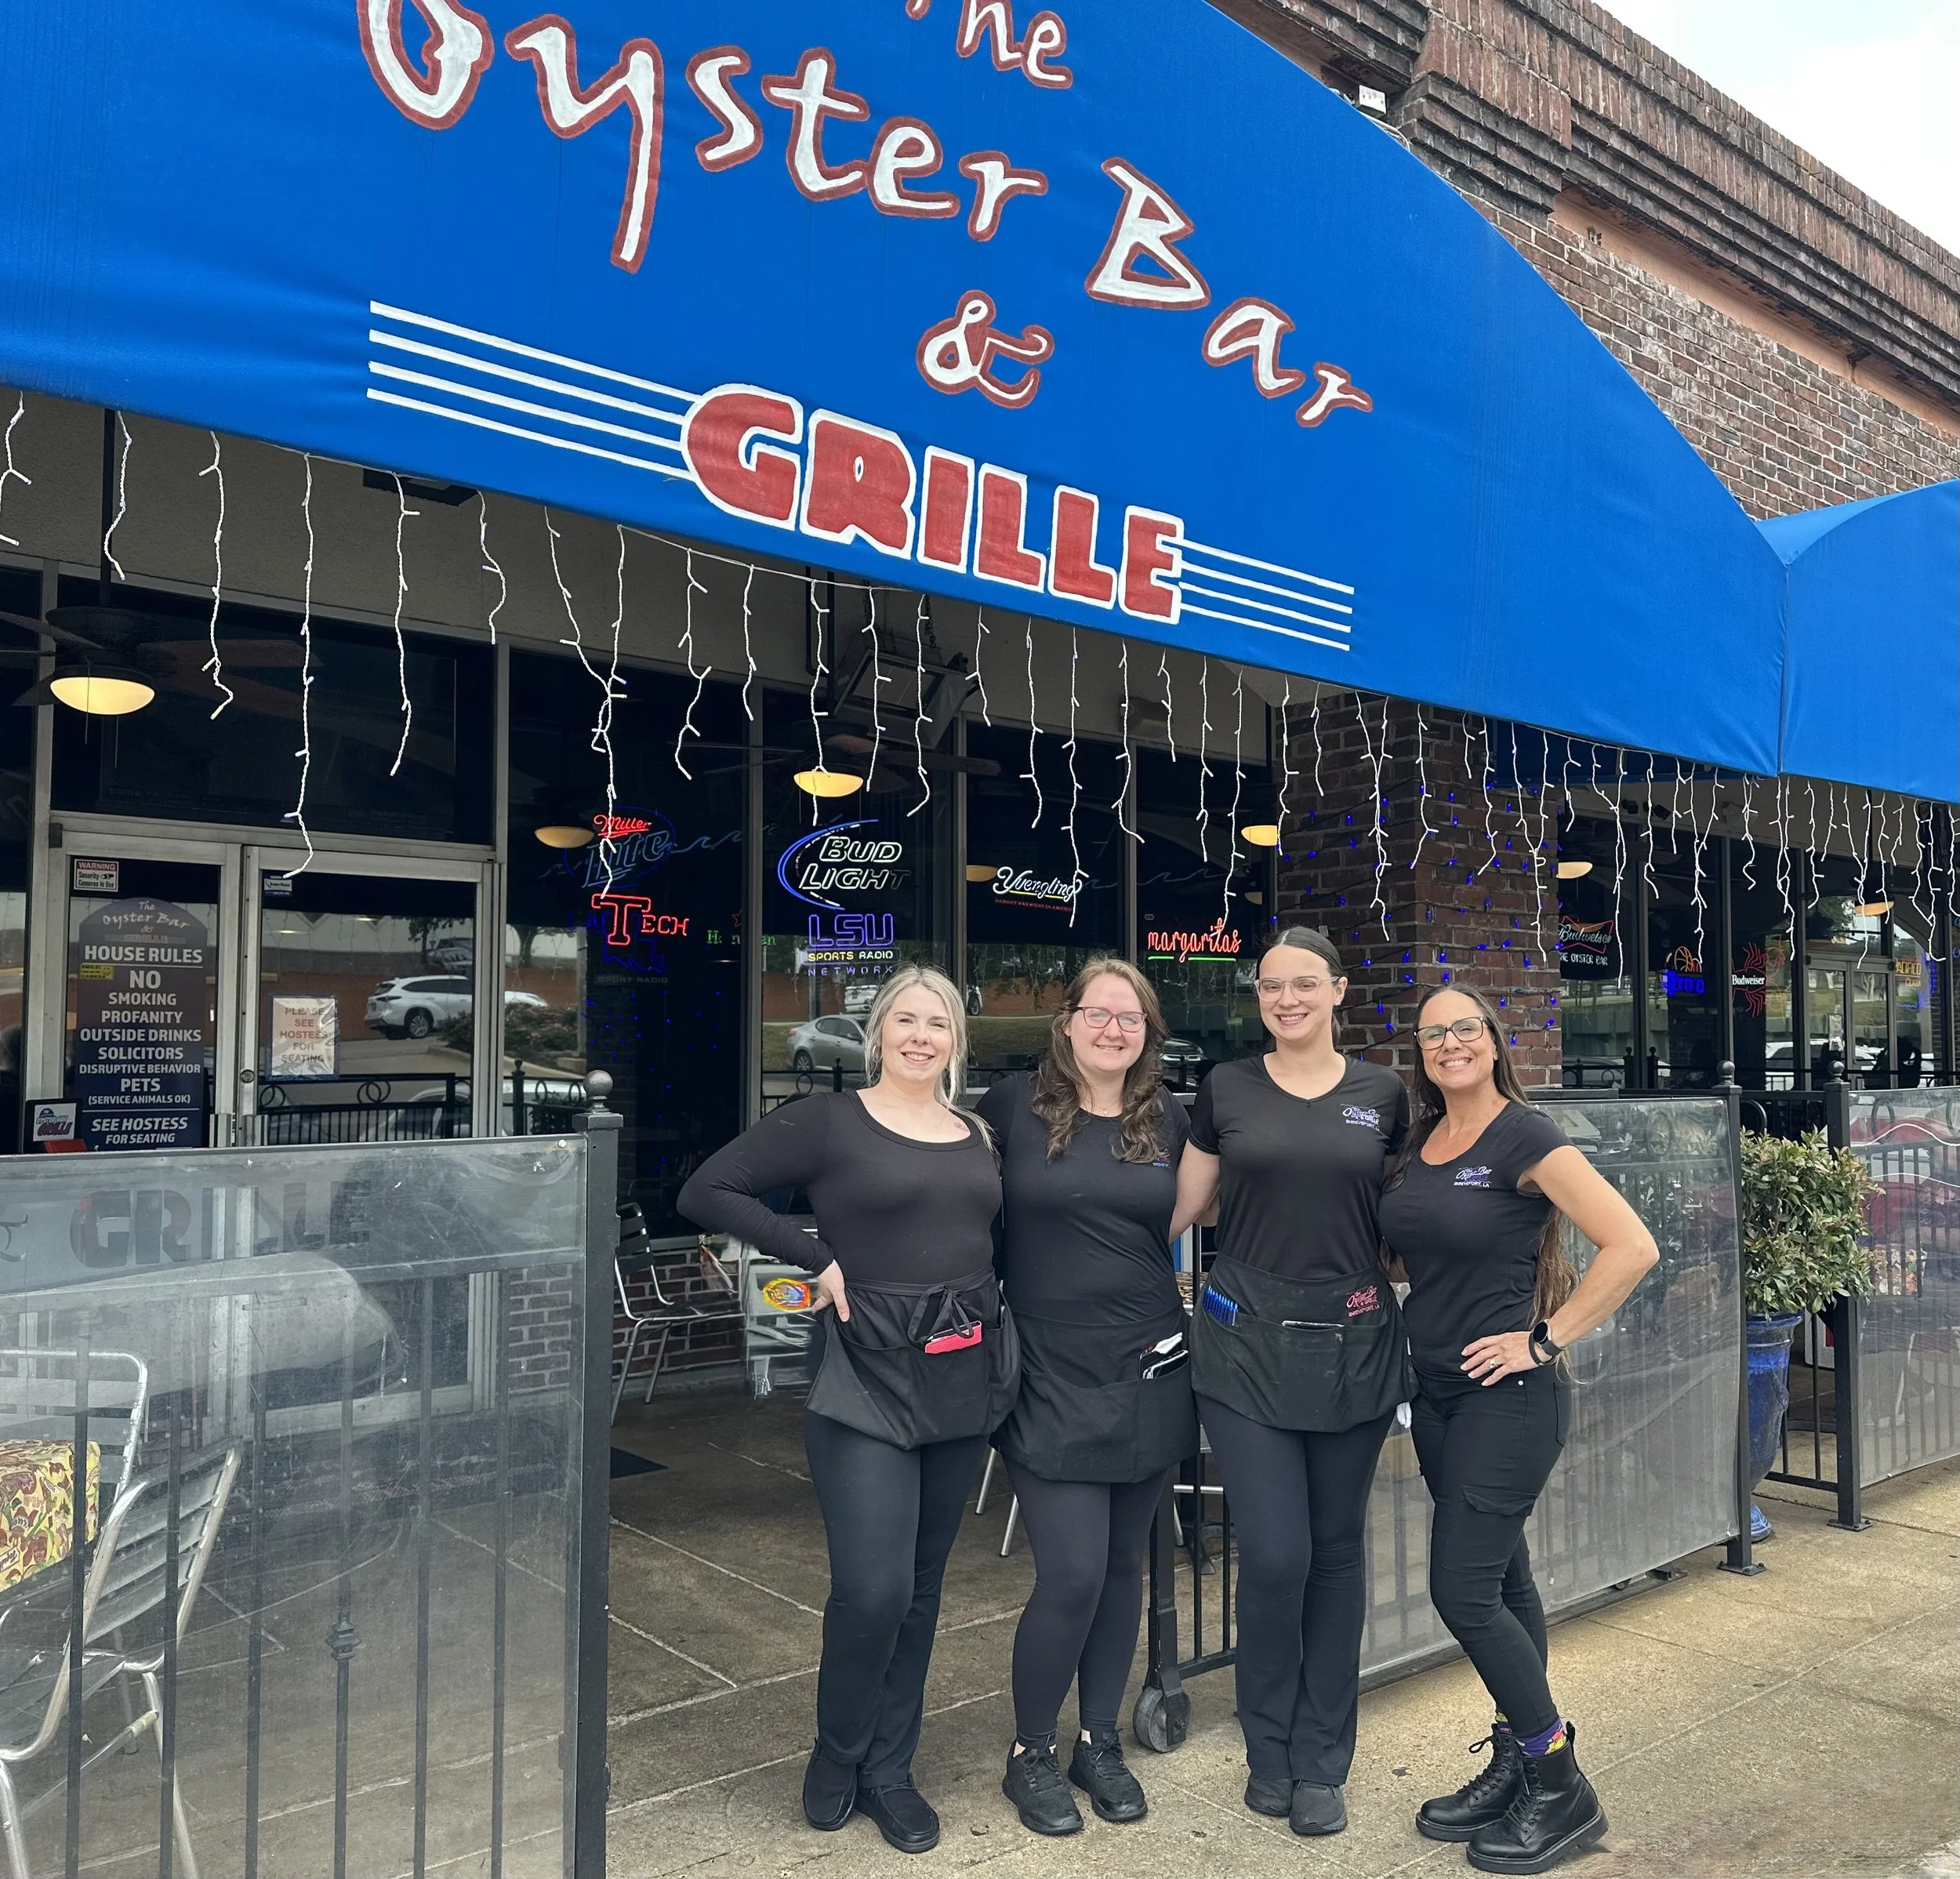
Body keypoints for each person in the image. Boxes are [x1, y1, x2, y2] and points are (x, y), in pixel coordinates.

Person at [677, 966, 1015, 1858]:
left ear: (955, 1041)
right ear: (876, 1032)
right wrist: (811, 1255)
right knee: (874, 1589)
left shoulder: (975, 1132)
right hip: (862, 1377)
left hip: (958, 1369)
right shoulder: (829, 1122)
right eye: (903, 1019)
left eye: (936, 1023)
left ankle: (889, 1770)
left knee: (922, 1592)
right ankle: (837, 1753)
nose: (919, 1036)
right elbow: (708, 1190)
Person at [1379, 985, 1658, 1875]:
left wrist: (1545, 1339)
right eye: (1432, 1033)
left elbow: (1631, 1245)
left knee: (1462, 1592)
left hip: (1508, 1398)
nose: (1449, 1043)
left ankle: (1558, 1777)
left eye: (1465, 1028)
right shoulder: (1420, 1146)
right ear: (1420, 1053)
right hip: (1436, 1395)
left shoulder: (1525, 1137)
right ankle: (1513, 1761)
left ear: (1494, 1042)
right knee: (1504, 1582)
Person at [1169, 926, 1410, 1838]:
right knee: (1275, 1555)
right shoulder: (1224, 1089)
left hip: (1351, 1337)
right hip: (1242, 1341)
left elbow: (1409, 1210)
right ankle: (1266, 1743)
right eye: (1271, 986)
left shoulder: (1381, 1094)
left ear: (1339, 991)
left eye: (1304, 983)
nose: (1286, 999)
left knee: (1335, 1553)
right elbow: (1182, 1209)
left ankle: (1321, 1756)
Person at [977, 959, 1196, 1837]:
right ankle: (1030, 1751)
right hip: (1047, 1370)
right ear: (1064, 1023)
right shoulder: (1007, 1107)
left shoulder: (1169, 1117)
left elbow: (1179, 1221)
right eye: (1097, 1013)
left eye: (1131, 1016)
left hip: (1148, 1361)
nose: (1114, 1028)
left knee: (1120, 1571)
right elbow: (951, 1200)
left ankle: (1096, 1741)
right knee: (1068, 1572)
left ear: (1148, 1032)